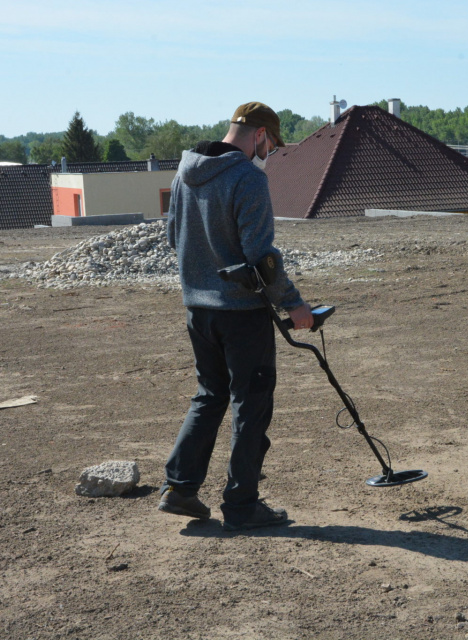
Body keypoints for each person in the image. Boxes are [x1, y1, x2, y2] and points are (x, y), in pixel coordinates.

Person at [159, 102, 313, 531]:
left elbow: (175, 237)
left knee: (210, 395)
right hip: (242, 314)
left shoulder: (184, 172)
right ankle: (243, 505)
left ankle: (180, 488)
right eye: (270, 144)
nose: (268, 153)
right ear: (260, 134)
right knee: (251, 401)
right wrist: (295, 305)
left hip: (198, 310)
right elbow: (261, 256)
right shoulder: (248, 177)